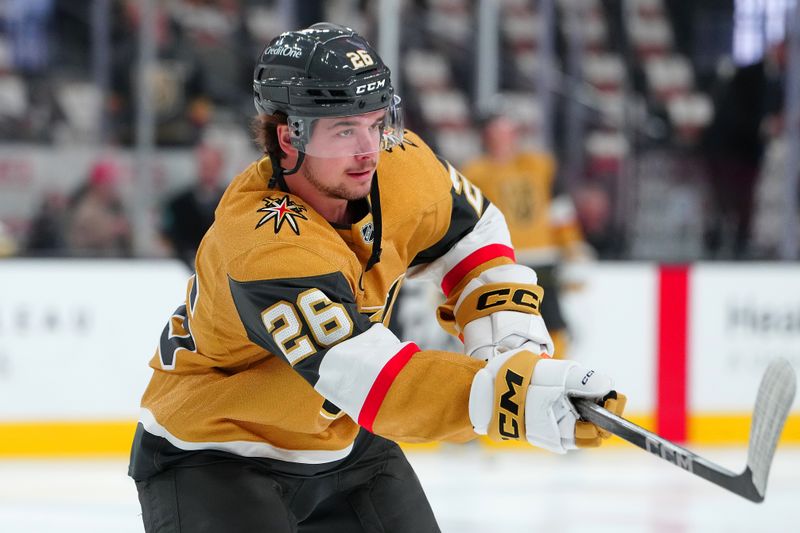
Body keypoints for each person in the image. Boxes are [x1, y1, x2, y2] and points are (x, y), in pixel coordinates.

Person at [129, 23, 626, 532]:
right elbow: (371, 380)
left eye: (375, 121)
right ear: (288, 137)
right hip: (213, 452)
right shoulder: (264, 241)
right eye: (344, 130)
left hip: (340, 439)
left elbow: (474, 233)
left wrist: (509, 340)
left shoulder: (400, 162)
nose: (369, 148)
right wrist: (510, 398)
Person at [462, 114, 594, 359]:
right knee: (503, 329)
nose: (504, 140)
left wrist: (573, 246)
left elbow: (559, 210)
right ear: (487, 137)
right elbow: (469, 221)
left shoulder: (539, 166)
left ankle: (553, 375)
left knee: (553, 323)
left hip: (542, 257)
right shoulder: (476, 172)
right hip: (502, 261)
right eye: (497, 133)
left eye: (508, 133)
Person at [161, 143, 227, 267]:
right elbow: (169, 237)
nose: (208, 170)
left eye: (211, 165)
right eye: (204, 165)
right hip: (185, 266)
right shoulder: (178, 204)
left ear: (220, 166)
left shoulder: (232, 201)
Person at [65, 158, 132, 257]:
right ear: (98, 185)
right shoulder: (86, 209)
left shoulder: (111, 206)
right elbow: (80, 241)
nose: (113, 188)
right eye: (109, 184)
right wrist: (113, 230)